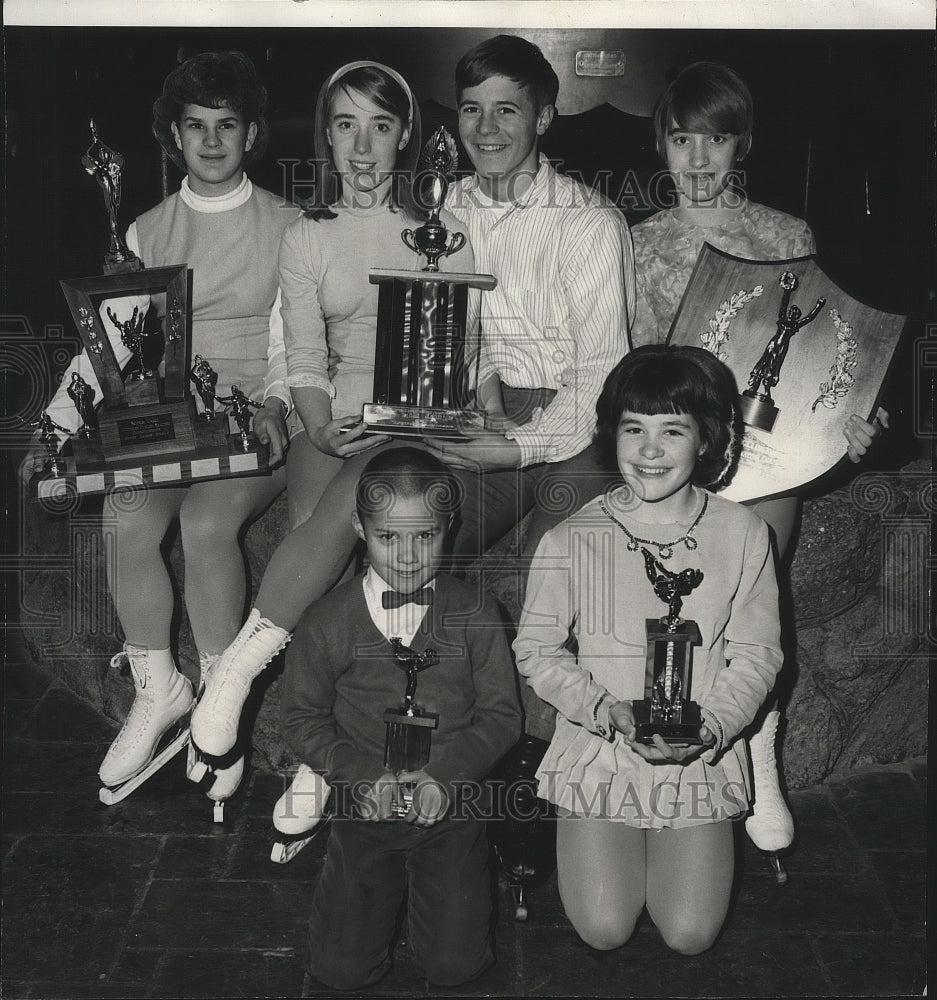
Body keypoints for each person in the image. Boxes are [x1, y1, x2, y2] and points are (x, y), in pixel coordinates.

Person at [187, 59, 473, 821]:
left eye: (380, 126)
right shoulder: (307, 236)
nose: (362, 144)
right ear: (327, 135)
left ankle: (234, 676)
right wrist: (315, 421)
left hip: (406, 427)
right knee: (324, 550)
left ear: (404, 135)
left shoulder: (440, 232)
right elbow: (306, 355)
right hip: (332, 417)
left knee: (349, 507)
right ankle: (326, 755)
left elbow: (458, 350)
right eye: (345, 124)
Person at [20, 51, 298, 811]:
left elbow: (293, 343)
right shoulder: (144, 229)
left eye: (227, 126)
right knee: (127, 514)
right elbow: (102, 345)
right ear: (173, 136)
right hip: (170, 421)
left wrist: (275, 403)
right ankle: (161, 688)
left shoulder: (289, 224)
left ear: (252, 134)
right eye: (195, 127)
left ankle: (219, 699)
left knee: (209, 524)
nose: (211, 141)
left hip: (257, 421)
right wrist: (53, 427)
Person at [513, 344, 783, 955]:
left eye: (673, 430)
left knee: (689, 934)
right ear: (613, 435)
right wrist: (608, 712)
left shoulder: (744, 533)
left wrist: (712, 728)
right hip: (604, 744)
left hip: (698, 751)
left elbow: (758, 653)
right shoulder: (573, 535)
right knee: (604, 930)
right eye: (634, 429)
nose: (650, 450)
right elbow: (537, 650)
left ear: (708, 439)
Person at [280, 447, 520, 989]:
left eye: (425, 536)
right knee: (339, 972)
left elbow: (502, 716)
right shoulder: (325, 621)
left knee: (454, 966)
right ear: (359, 529)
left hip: (452, 804)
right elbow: (301, 718)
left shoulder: (476, 614)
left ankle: (455, 884)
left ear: (449, 528)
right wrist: (359, 777)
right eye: (389, 537)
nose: (408, 555)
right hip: (365, 804)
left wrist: (448, 778)